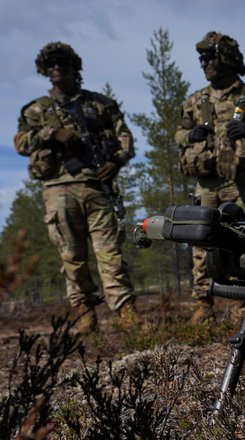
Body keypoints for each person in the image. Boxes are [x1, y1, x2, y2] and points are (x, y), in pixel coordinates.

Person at [13, 42, 141, 333]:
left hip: (97, 187)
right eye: (51, 63)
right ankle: (85, 312)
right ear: (44, 70)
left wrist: (117, 161)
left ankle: (126, 312)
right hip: (58, 187)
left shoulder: (99, 104)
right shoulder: (36, 110)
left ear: (75, 67)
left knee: (110, 252)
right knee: (71, 256)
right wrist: (50, 133)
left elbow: (125, 138)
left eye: (63, 62)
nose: (57, 67)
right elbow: (20, 143)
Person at [175, 31, 245, 323]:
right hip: (207, 180)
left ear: (226, 58)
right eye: (201, 58)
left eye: (209, 57)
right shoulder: (196, 100)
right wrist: (190, 134)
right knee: (199, 238)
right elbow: (178, 133)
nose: (204, 63)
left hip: (242, 180)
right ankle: (203, 301)